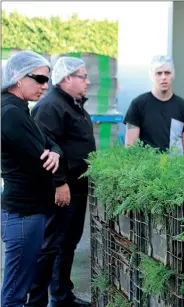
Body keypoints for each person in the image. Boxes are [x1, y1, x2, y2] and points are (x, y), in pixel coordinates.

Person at [26, 57, 95, 307]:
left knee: (67, 243)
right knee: (51, 245)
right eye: (83, 76)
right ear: (68, 78)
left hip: (76, 187)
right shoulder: (51, 106)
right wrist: (59, 183)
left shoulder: (72, 104)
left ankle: (62, 295)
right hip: (62, 189)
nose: (88, 81)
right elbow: (45, 149)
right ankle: (36, 301)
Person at [1, 50, 62, 307]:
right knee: (15, 293)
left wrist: (55, 153)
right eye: (38, 78)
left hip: (26, 213)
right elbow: (41, 164)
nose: (44, 85)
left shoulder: (20, 109)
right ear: (18, 78)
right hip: (23, 214)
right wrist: (52, 156)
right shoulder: (11, 113)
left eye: (46, 79)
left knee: (19, 288)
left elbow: (50, 144)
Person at [124, 55, 184, 154]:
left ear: (173, 75)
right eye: (159, 73)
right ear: (152, 75)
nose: (163, 77)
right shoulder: (138, 105)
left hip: (174, 167)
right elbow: (130, 148)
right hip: (146, 167)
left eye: (167, 73)